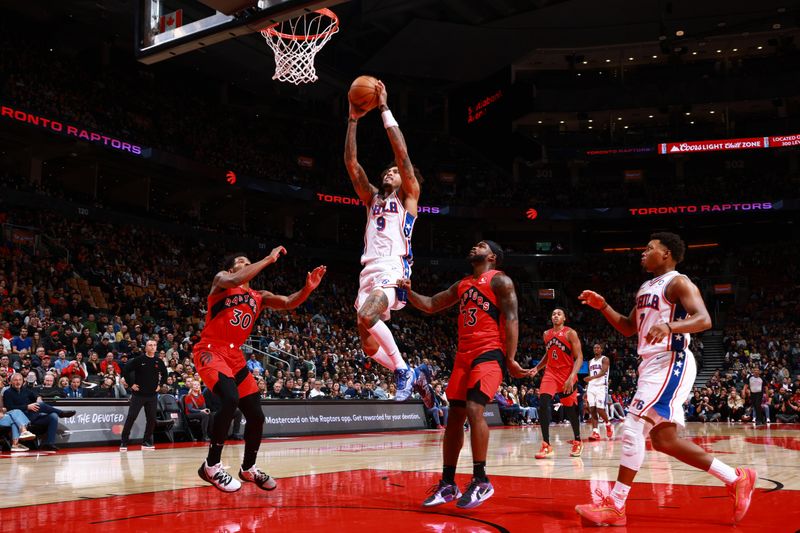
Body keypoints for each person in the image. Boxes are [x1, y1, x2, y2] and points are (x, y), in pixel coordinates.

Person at [574, 232, 756, 526]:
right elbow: (628, 327)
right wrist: (603, 306)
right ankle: (736, 478)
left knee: (632, 426)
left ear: (667, 254)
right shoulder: (646, 287)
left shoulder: (678, 282)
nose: (642, 253)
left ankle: (616, 505)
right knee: (664, 440)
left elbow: (704, 319)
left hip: (672, 360)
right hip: (651, 364)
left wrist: (671, 326)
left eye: (649, 249)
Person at [398, 240, 532, 509]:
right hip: (463, 355)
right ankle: (448, 484)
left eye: (481, 246)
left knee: (474, 408)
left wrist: (511, 358)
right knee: (454, 417)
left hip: (489, 351)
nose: (473, 247)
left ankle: (481, 480)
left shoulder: (500, 281)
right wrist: (410, 293)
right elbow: (432, 304)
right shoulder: (463, 284)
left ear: (493, 256)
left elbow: (513, 318)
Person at [194, 248, 325, 492]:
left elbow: (287, 302)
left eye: (248, 262)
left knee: (256, 415)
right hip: (211, 349)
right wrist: (268, 259)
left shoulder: (259, 296)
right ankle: (211, 466)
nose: (244, 264)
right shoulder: (223, 280)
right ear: (232, 268)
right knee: (230, 398)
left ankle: (248, 469)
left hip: (235, 356)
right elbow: (235, 280)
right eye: (240, 262)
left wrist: (308, 289)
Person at [344, 80, 432, 406]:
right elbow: (352, 166)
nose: (391, 172)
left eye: (396, 171)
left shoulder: (409, 196)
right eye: (389, 170)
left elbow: (402, 153)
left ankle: (403, 370)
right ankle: (412, 374)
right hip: (367, 271)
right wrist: (353, 118)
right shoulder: (372, 199)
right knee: (367, 345)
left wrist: (383, 108)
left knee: (368, 317)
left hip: (394, 268)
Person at [530, 308, 584, 459]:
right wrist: (537, 367)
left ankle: (578, 440)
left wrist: (572, 376)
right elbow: (549, 354)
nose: (555, 316)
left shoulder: (570, 333)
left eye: (559, 314)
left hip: (567, 374)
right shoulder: (546, 334)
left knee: (570, 410)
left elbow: (579, 357)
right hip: (551, 373)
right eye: (553, 313)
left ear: (564, 318)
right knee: (543, 402)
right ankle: (546, 444)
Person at [2, 373, 76, 451]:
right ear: (11, 381)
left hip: (32, 416)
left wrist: (38, 397)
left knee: (53, 416)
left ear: (23, 381)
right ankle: (61, 413)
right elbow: (9, 408)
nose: (18, 382)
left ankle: (49, 444)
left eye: (20, 380)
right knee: (41, 405)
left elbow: (35, 394)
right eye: (15, 380)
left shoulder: (25, 390)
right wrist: (27, 407)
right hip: (20, 418)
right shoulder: (8, 392)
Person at [119, 339, 168, 451]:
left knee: (151, 419)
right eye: (150, 345)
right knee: (131, 417)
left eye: (154, 345)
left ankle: (146, 442)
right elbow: (126, 370)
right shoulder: (138, 360)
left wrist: (160, 385)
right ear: (146, 347)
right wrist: (131, 384)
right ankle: (124, 442)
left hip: (152, 395)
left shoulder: (158, 361)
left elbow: (165, 374)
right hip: (138, 395)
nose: (153, 347)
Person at [584, 343, 613, 440]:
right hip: (591, 387)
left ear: (601, 350)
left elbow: (603, 372)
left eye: (598, 348)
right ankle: (595, 432)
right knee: (592, 409)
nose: (596, 349)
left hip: (601, 386)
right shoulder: (590, 361)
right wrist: (586, 388)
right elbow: (590, 375)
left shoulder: (605, 359)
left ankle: (608, 424)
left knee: (600, 409)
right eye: (594, 348)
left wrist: (591, 378)